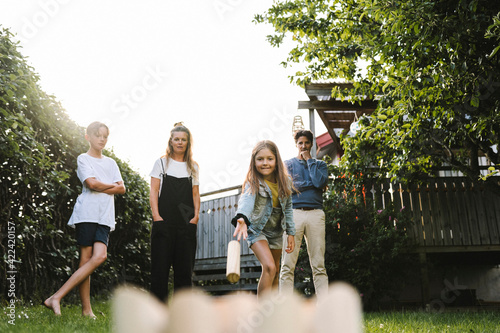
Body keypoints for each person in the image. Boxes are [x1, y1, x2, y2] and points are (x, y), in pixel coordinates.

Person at [43, 121, 126, 317]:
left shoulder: (111, 163)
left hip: (105, 216)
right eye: (98, 135)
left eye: (105, 136)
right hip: (87, 213)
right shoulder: (83, 158)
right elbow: (90, 183)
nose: (102, 139)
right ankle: (86, 310)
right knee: (86, 260)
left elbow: (121, 188)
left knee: (100, 256)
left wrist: (100, 184)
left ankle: (56, 296)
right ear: (88, 137)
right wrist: (108, 186)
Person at [232, 140, 295, 295]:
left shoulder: (285, 182)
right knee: (269, 267)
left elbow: (287, 208)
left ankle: (271, 313)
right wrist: (242, 217)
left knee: (275, 271)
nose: (265, 163)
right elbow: (246, 200)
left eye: (269, 159)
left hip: (276, 232)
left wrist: (291, 232)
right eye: (260, 159)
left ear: (276, 160)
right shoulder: (253, 182)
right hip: (256, 230)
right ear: (254, 162)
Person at [149, 122, 200, 302]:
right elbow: (154, 191)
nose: (180, 142)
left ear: (188, 142)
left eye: (183, 140)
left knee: (184, 273)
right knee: (159, 271)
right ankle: (157, 313)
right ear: (171, 141)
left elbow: (195, 194)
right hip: (163, 223)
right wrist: (157, 217)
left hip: (186, 225)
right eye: (176, 139)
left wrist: (195, 217)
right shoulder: (161, 163)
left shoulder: (193, 167)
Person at [279, 129, 329, 298]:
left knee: (318, 264)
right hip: (294, 214)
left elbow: (319, 181)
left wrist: (309, 161)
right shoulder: (288, 165)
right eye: (300, 143)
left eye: (306, 143)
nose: (303, 146)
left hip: (316, 214)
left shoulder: (320, 165)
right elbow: (289, 187)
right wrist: (312, 185)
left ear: (311, 144)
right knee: (287, 263)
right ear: (296, 144)